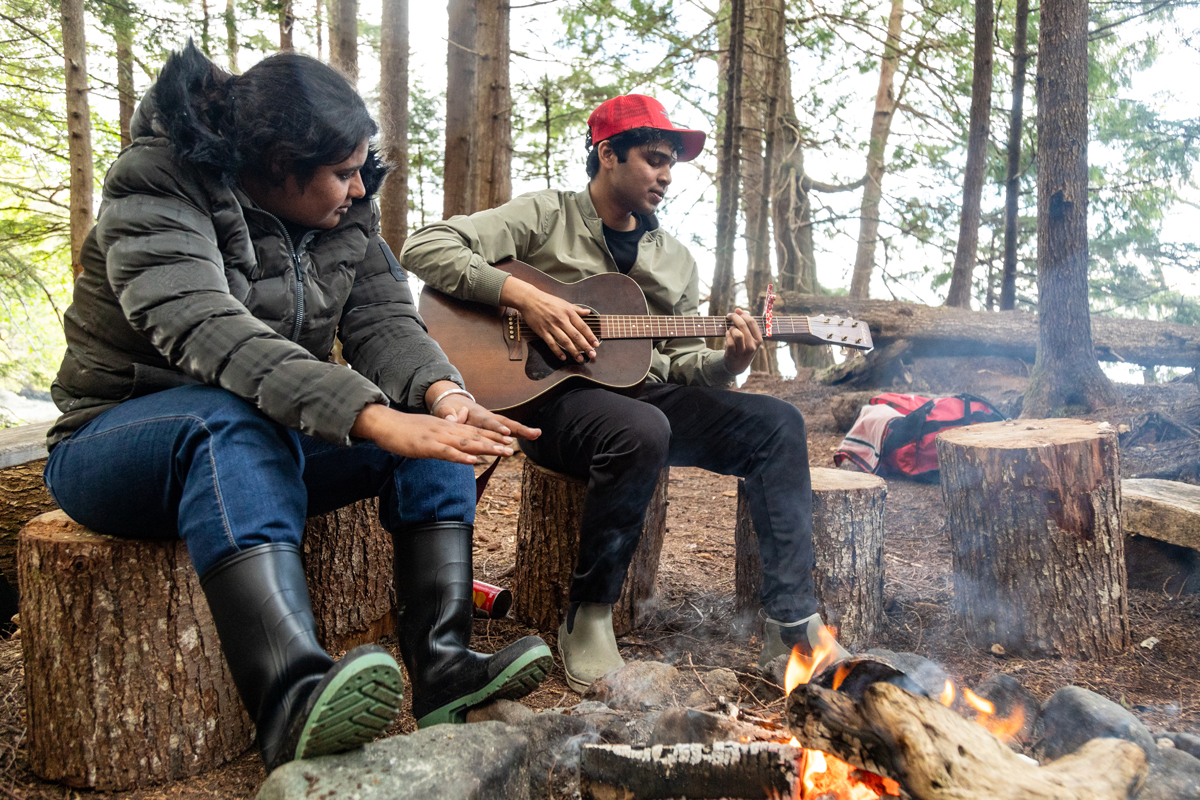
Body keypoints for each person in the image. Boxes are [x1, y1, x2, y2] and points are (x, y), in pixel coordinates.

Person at [42, 42, 552, 772]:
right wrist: (373, 417)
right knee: (228, 422)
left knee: (437, 429)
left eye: (360, 169)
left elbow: (384, 322)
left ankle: (443, 665)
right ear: (280, 164)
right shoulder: (157, 185)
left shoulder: (345, 213)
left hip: (261, 432)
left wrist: (444, 397)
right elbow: (208, 330)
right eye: (342, 172)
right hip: (115, 441)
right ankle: (290, 699)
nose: (357, 186)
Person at [401, 94, 851, 692]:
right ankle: (588, 615)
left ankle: (791, 623)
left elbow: (684, 363)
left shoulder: (676, 259)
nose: (666, 175)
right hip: (546, 401)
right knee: (641, 429)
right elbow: (423, 247)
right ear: (607, 154)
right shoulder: (545, 215)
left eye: (672, 164)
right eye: (654, 159)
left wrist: (728, 361)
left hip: (639, 395)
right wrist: (524, 297)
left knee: (777, 423)